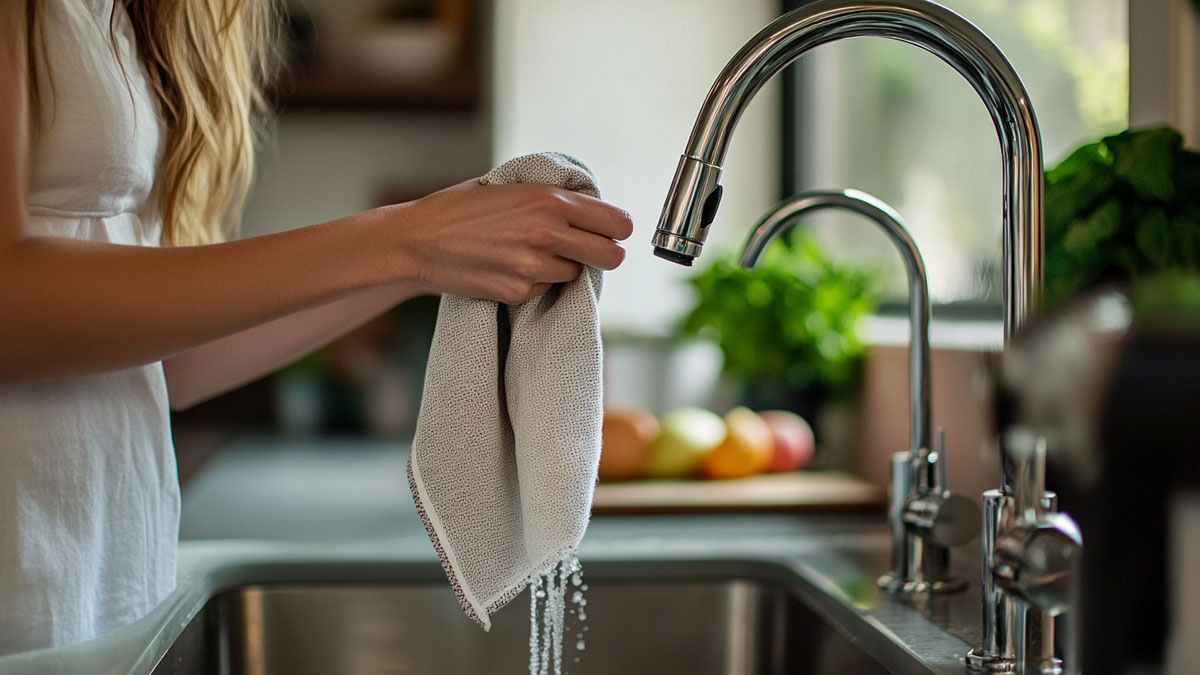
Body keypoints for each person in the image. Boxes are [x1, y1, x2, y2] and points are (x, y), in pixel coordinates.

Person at [0, 0, 632, 654]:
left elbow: (168, 362)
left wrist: (435, 249)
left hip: (103, 593)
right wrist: (405, 239)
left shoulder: (141, 17)